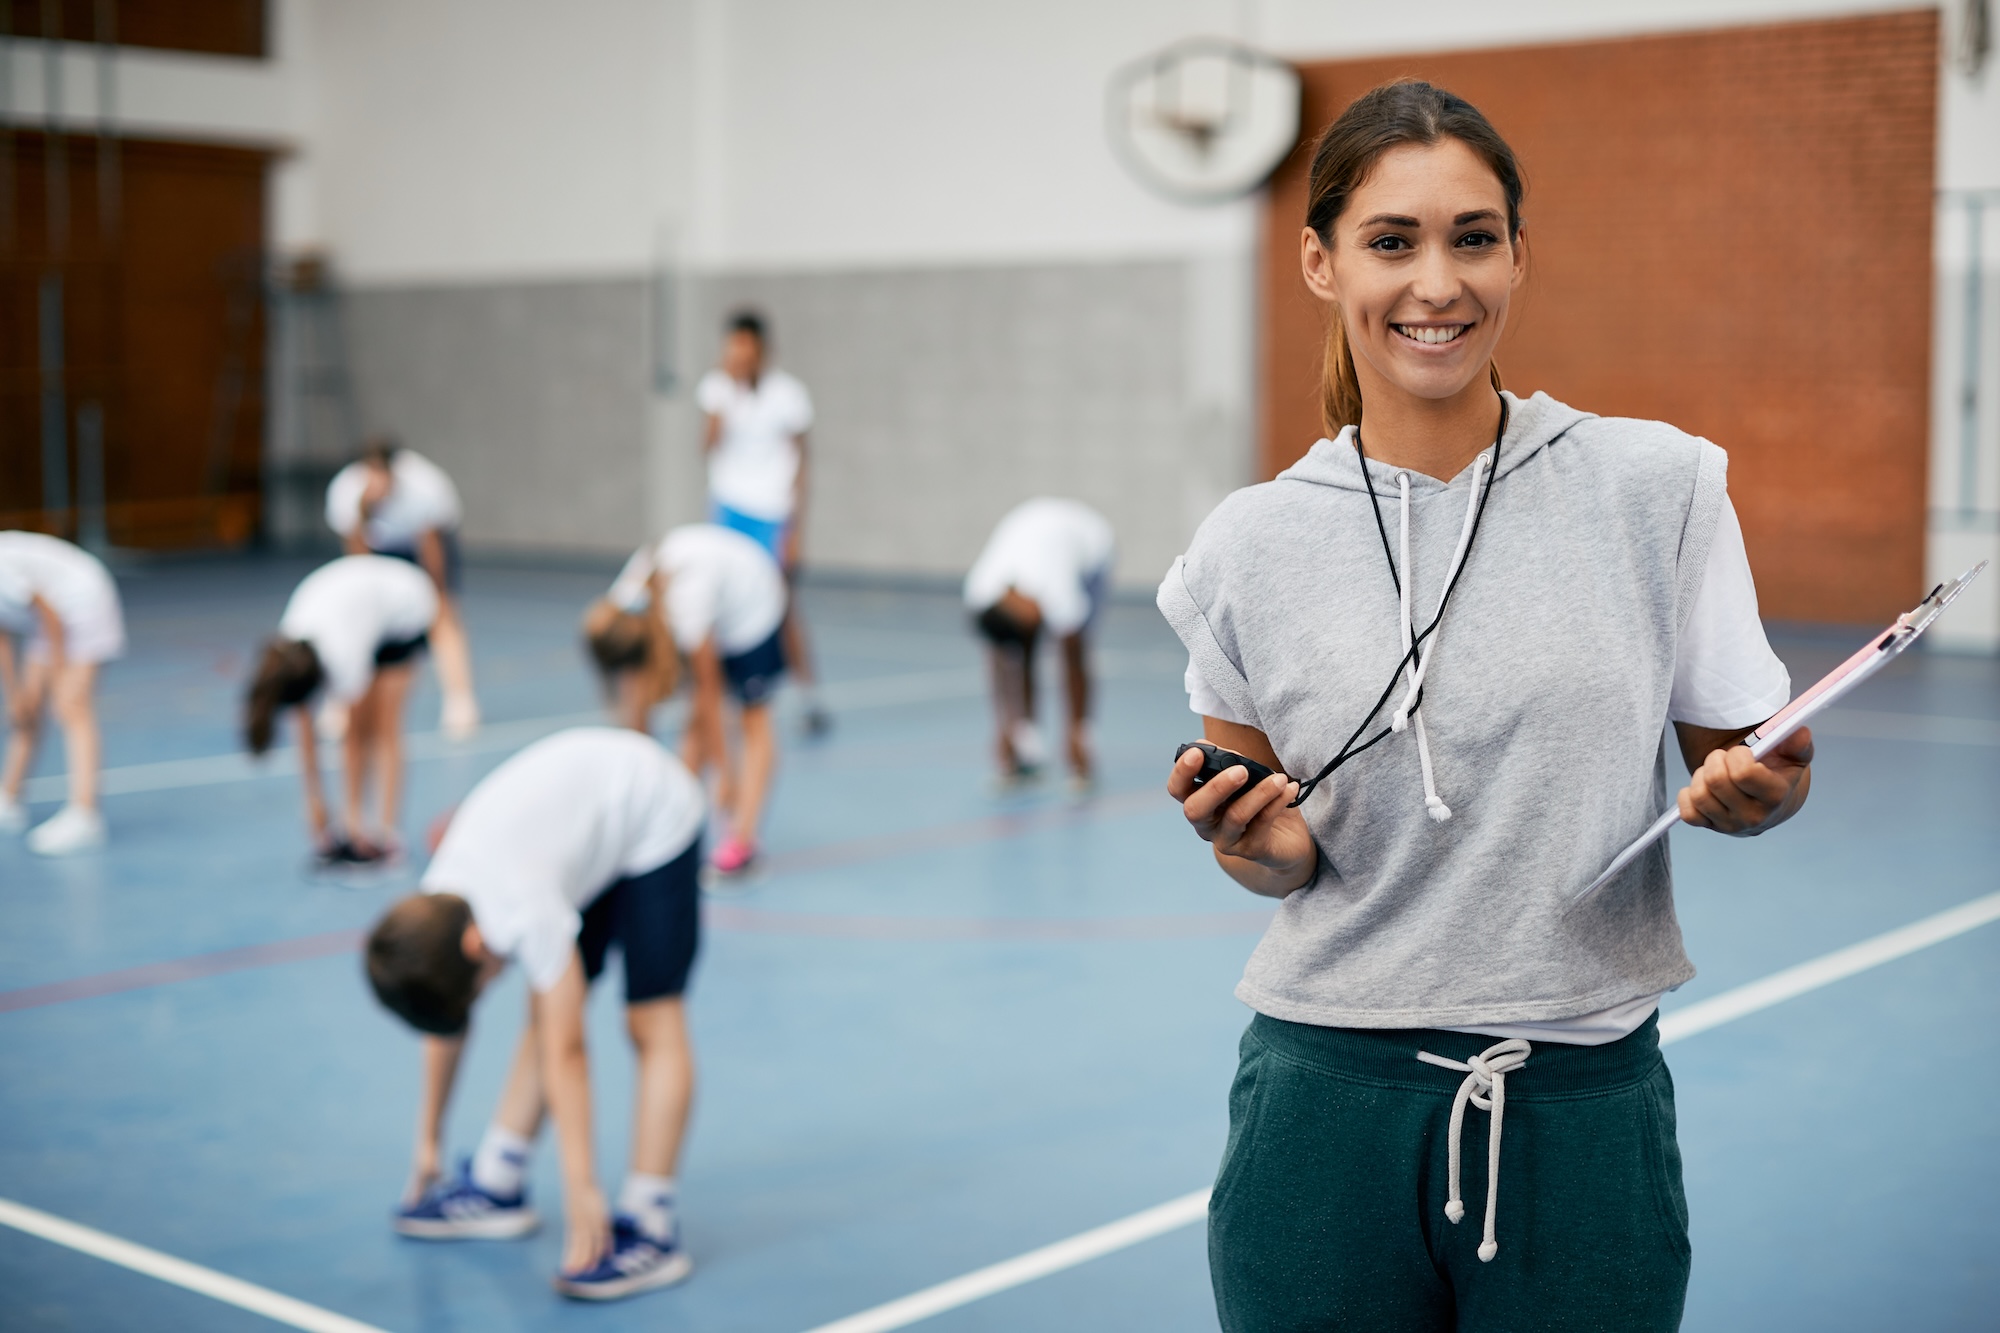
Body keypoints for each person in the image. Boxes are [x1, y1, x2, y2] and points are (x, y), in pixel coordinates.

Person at [1157, 80, 1812, 1331]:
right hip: (1318, 1110)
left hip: (1579, 1110)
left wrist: (1759, 791)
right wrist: (1257, 844)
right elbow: (1275, 855)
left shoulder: (1655, 486)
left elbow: (1755, 767)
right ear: (1318, 261)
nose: (1435, 283)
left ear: (1517, 253)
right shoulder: (1244, 546)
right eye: (1390, 241)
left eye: (1471, 237)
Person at [366, 726, 703, 1302]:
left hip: (652, 812)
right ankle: (500, 1180)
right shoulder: (439, 908)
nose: (481, 995)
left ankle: (651, 1221)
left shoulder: (523, 905)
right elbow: (445, 1024)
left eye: (476, 992)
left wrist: (582, 1190)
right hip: (582, 833)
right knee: (544, 1009)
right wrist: (429, 1142)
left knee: (649, 1019)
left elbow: (568, 1051)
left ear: (477, 946)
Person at [584, 523, 787, 876]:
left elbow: (710, 697)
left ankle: (743, 838)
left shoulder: (688, 606)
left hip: (751, 602)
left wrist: (726, 775)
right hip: (710, 597)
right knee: (694, 723)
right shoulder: (622, 611)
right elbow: (638, 706)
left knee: (753, 719)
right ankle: (671, 817)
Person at [245, 554, 438, 867]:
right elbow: (303, 723)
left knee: (383, 726)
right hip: (359, 602)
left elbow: (355, 736)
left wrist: (351, 823)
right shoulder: (289, 651)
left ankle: (387, 836)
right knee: (366, 730)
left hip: (405, 604)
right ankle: (360, 825)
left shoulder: (343, 656)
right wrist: (314, 800)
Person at [697, 310, 829, 735]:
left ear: (761, 349)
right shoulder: (717, 389)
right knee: (722, 606)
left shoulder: (788, 395)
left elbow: (801, 462)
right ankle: (726, 697)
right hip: (729, 510)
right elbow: (708, 446)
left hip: (771, 513)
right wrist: (724, 398)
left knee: (782, 605)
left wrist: (794, 530)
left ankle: (809, 697)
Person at [325, 436, 480, 740]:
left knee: (442, 616)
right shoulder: (345, 491)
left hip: (419, 545)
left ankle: (461, 701)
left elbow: (431, 549)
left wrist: (437, 595)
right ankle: (342, 703)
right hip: (378, 548)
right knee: (358, 623)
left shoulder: (424, 487)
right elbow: (357, 558)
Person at [963, 498, 1114, 787]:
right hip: (1031, 525)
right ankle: (1027, 741)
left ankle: (1081, 742)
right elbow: (1001, 661)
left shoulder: (1056, 586)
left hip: (1093, 548)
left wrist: (1077, 733)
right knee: (1018, 654)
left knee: (1076, 643)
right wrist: (1006, 728)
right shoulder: (979, 591)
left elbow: (1075, 661)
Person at [0, 531, 125, 855]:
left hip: (83, 602)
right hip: (47, 620)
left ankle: (85, 815)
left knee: (71, 706)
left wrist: (58, 674)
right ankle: (8, 799)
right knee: (28, 708)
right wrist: (14, 693)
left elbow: (50, 614)